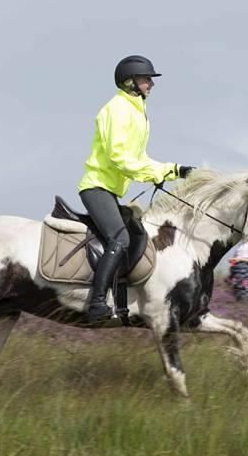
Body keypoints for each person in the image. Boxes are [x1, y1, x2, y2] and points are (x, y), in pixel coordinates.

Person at [78, 55, 195, 323]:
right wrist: (154, 173)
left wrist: (174, 169)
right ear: (130, 82)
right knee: (120, 239)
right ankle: (96, 304)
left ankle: (122, 304)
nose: (151, 84)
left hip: (110, 189)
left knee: (136, 235)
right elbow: (119, 157)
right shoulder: (117, 109)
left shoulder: (136, 111)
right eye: (146, 79)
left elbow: (139, 159)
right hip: (96, 187)